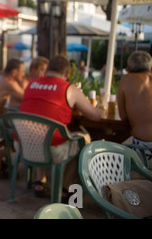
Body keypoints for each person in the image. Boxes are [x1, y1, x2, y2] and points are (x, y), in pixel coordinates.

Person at [20, 55, 101, 200]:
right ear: (67, 74)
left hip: (24, 145)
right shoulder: (69, 89)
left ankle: (40, 180)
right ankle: (65, 186)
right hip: (51, 151)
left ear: (47, 70)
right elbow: (96, 116)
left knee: (41, 129)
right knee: (83, 139)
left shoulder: (31, 84)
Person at [117, 51, 152, 167]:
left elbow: (123, 116)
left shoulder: (126, 79)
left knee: (108, 159)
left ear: (129, 67)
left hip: (142, 146)